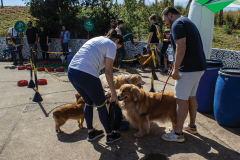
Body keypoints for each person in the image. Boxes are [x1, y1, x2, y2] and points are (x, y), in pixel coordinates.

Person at [68, 30, 123, 144]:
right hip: (85, 73)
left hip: (72, 72)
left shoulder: (97, 39)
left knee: (88, 101)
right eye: (119, 47)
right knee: (101, 103)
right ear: (117, 41)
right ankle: (110, 135)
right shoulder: (112, 44)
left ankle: (91, 132)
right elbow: (108, 71)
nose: (117, 50)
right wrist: (113, 93)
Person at [161, 7, 206, 142]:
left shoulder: (176, 24)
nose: (166, 24)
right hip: (199, 67)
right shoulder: (187, 21)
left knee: (181, 100)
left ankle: (177, 133)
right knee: (191, 97)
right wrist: (174, 66)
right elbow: (180, 48)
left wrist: (175, 70)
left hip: (188, 69)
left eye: (165, 21)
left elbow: (181, 46)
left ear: (170, 15)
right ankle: (192, 126)